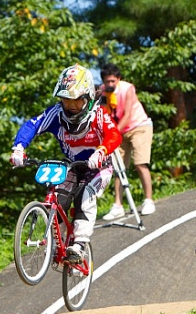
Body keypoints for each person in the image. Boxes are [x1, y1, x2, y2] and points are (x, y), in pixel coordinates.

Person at [10, 64, 122, 263]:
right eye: (65, 100)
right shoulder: (56, 114)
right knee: (58, 198)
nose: (70, 106)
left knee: (84, 195)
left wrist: (101, 150)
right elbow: (32, 125)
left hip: (100, 166)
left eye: (76, 101)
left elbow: (114, 134)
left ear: (87, 98)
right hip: (72, 165)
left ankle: (80, 243)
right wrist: (19, 147)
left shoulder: (98, 114)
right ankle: (58, 242)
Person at [99, 63, 156, 220]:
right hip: (119, 131)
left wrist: (112, 133)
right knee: (118, 167)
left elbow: (128, 114)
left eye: (112, 81)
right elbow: (103, 113)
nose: (110, 84)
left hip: (138, 126)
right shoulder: (103, 91)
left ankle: (148, 200)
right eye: (107, 81)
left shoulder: (127, 88)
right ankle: (118, 205)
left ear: (118, 79)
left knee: (140, 163)